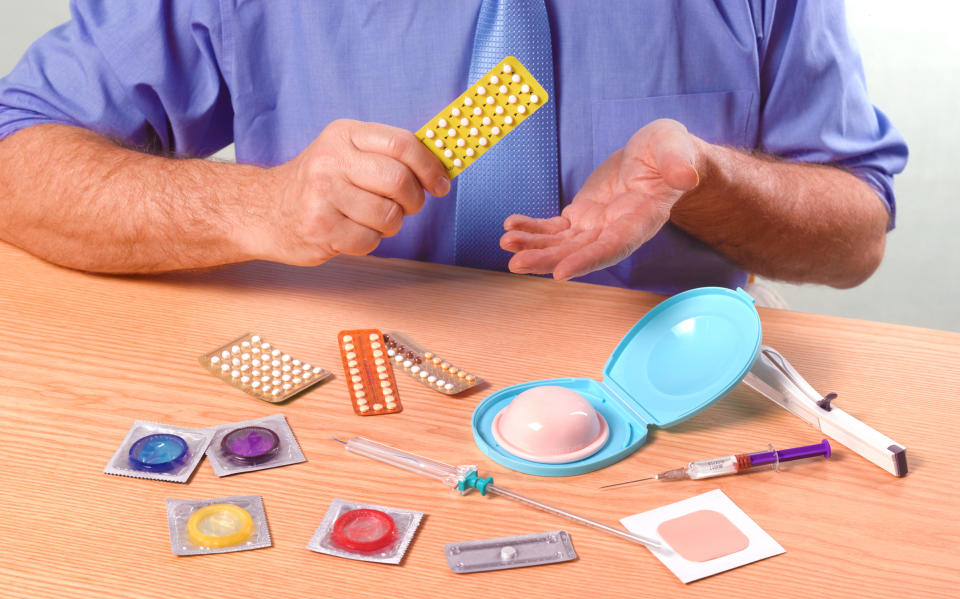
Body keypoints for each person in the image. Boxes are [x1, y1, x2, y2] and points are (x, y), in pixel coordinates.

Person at [0, 1, 907, 294]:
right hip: (339, 410)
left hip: (658, 417)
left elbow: (856, 233)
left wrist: (709, 182)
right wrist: (257, 203)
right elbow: (16, 160)